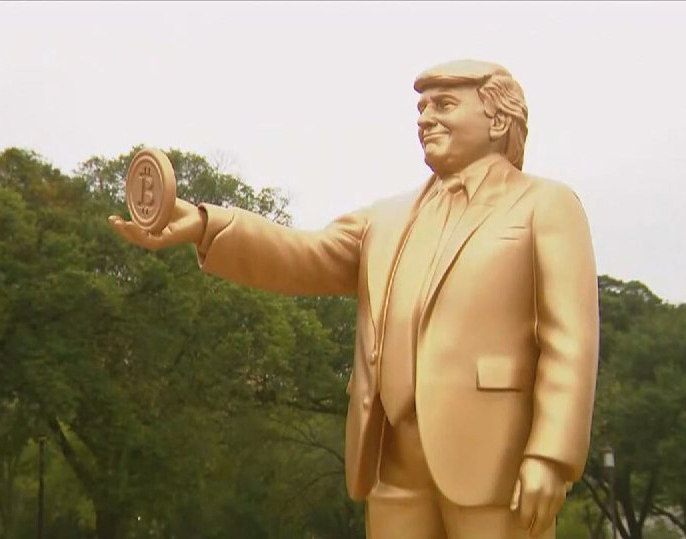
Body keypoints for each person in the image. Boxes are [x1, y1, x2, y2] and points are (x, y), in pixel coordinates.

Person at [109, 59, 599, 539]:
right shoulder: (387, 219)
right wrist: (203, 222)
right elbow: (305, 254)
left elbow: (570, 342)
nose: (425, 118)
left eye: (444, 105)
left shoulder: (545, 205)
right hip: (393, 461)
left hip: (494, 460)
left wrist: (550, 453)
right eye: (422, 108)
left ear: (497, 119)